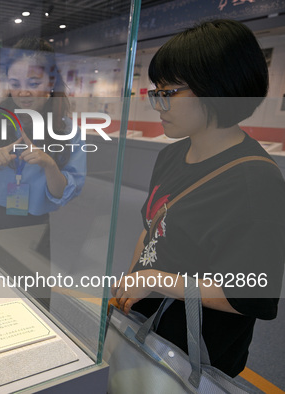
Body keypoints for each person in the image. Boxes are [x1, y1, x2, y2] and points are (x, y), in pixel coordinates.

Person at [112, 19, 285, 377]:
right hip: (146, 328)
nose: (158, 104)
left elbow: (252, 295)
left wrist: (156, 280)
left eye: (168, 92)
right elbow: (151, 227)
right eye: (154, 91)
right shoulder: (171, 155)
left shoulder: (256, 182)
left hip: (197, 353)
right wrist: (135, 276)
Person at [0, 38, 86, 305]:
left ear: (51, 83)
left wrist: (49, 164)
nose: (23, 92)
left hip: (33, 227)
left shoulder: (66, 130)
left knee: (32, 302)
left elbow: (65, 191)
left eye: (33, 83)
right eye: (15, 84)